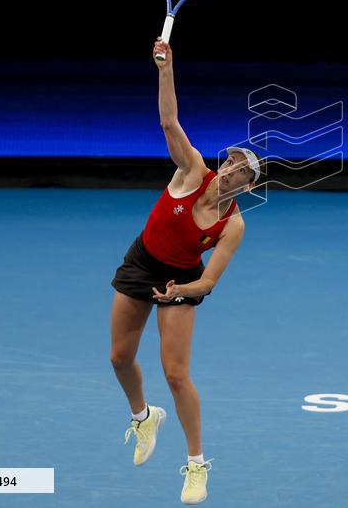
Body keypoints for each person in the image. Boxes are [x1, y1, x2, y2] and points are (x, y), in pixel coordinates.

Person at [109, 38, 260, 504]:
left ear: (249, 184)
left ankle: (196, 466)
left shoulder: (232, 225)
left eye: (242, 167)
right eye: (232, 159)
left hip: (182, 277)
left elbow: (210, 282)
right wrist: (165, 68)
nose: (232, 165)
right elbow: (169, 121)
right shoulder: (192, 170)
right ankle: (143, 417)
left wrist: (179, 290)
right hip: (142, 262)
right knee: (119, 357)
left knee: (176, 374)